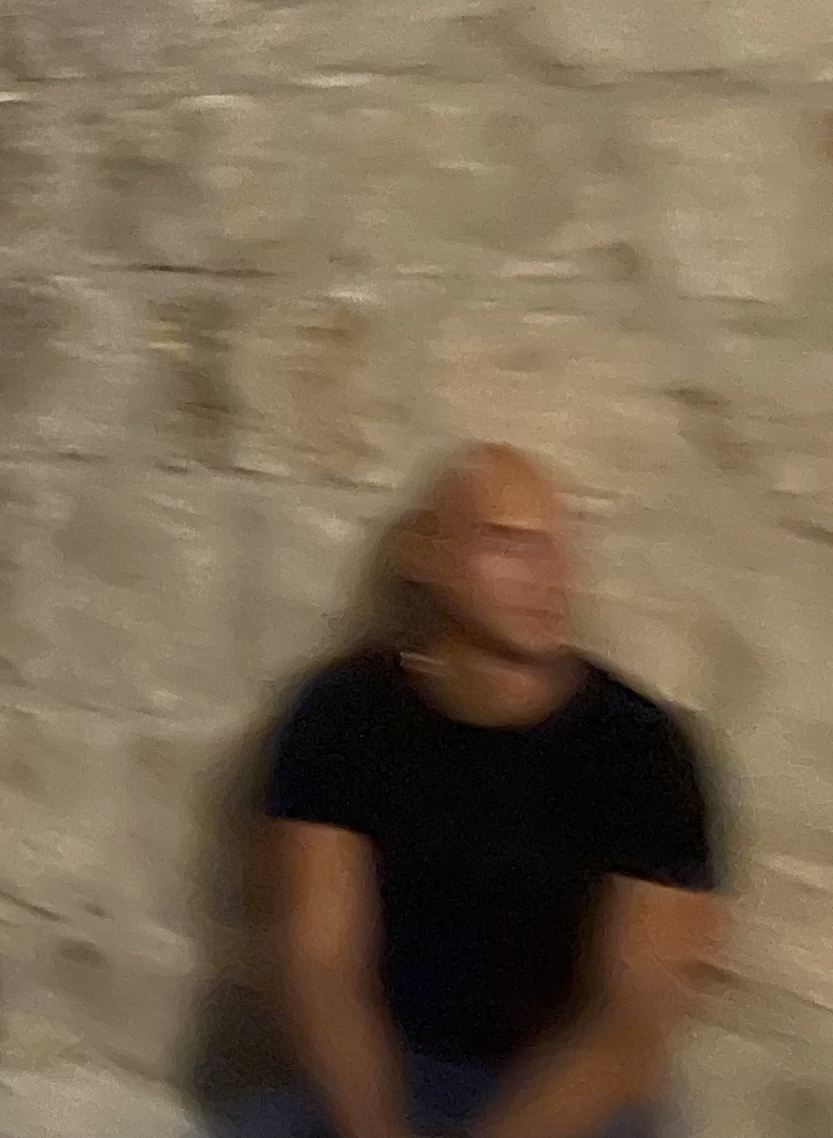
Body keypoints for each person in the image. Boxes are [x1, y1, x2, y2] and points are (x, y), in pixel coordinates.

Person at [232, 446, 728, 1138]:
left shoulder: (642, 749)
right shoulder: (345, 714)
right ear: (426, 556)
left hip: (563, 1098)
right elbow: (318, 967)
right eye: (508, 544)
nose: (545, 577)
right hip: (380, 1075)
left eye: (557, 548)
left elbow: (631, 1025)